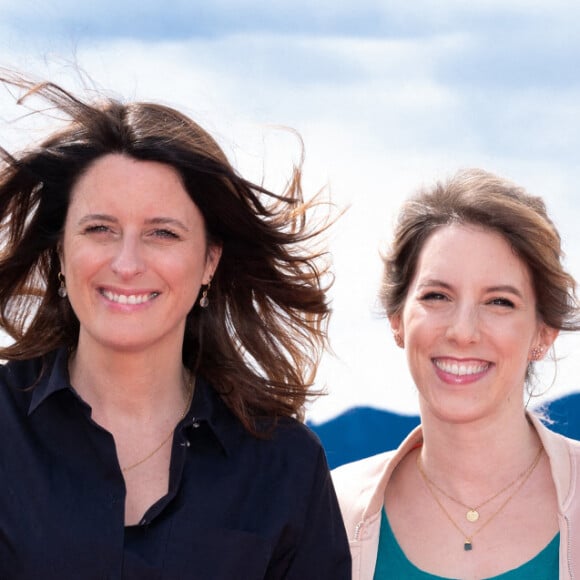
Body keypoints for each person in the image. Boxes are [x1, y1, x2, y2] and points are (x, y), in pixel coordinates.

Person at [0, 71, 350, 579]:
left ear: (210, 260)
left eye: (162, 233)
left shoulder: (284, 466)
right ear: (60, 250)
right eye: (100, 228)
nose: (126, 263)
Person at [332, 168, 580, 579]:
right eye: (437, 296)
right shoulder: (332, 510)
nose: (463, 332)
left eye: (499, 302)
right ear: (398, 319)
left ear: (543, 332)